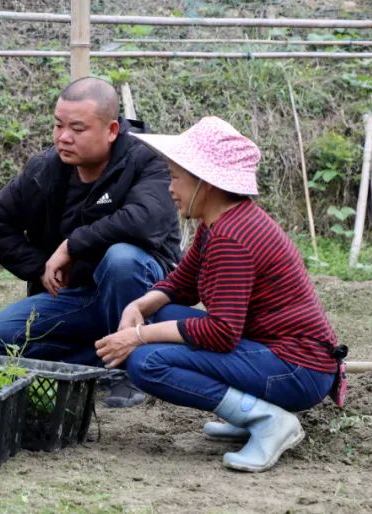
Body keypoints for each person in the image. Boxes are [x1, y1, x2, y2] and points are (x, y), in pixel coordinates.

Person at [94, 116, 343, 472]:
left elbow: (221, 332)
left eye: (176, 177)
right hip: (273, 351)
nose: (169, 188)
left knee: (145, 362)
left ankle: (267, 420)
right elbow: (183, 283)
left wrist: (136, 336)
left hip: (296, 368)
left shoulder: (232, 239)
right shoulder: (221, 224)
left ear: (206, 183)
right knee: (160, 315)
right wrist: (139, 305)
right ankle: (247, 411)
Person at [0, 77, 181, 407]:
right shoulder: (44, 170)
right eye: (58, 125)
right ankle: (100, 359)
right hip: (76, 296)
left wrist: (71, 245)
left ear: (112, 130)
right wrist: (40, 267)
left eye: (77, 128)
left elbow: (145, 219)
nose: (63, 137)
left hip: (142, 294)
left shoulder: (148, 160)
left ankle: (130, 370)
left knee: (122, 259)